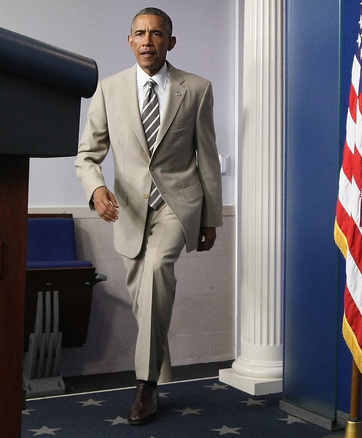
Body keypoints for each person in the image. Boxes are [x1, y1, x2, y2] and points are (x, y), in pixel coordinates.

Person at [75, 7, 223, 425]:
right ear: (129, 41)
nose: (147, 41)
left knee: (158, 270)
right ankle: (160, 367)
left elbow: (207, 158)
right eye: (139, 33)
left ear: (170, 42)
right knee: (146, 298)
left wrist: (211, 217)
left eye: (156, 34)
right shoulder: (109, 90)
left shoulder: (196, 88)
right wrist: (96, 189)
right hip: (126, 211)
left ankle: (146, 387)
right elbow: (87, 156)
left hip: (179, 204)